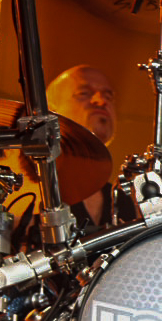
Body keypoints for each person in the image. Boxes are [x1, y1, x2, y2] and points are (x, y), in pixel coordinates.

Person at [44, 64, 118, 230]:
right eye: (84, 93)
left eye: (108, 96)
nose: (101, 101)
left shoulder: (127, 199)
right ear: (51, 111)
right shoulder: (30, 194)